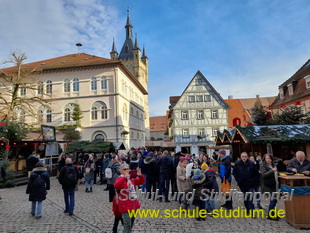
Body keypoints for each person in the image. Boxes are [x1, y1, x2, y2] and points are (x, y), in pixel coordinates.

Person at [114, 164, 145, 233]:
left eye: (128, 169)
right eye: (125, 169)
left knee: (130, 225)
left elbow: (141, 182)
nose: (127, 170)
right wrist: (124, 178)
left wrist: (140, 176)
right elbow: (116, 185)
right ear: (121, 171)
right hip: (124, 206)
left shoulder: (132, 179)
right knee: (127, 225)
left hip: (133, 205)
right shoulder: (120, 178)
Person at [260, 154, 279, 220]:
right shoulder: (263, 166)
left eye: (269, 158)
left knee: (275, 200)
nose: (268, 159)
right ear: (264, 159)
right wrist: (272, 170)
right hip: (268, 185)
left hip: (275, 184)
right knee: (273, 199)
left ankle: (273, 213)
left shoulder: (274, 165)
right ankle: (270, 215)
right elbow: (264, 175)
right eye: (266, 158)